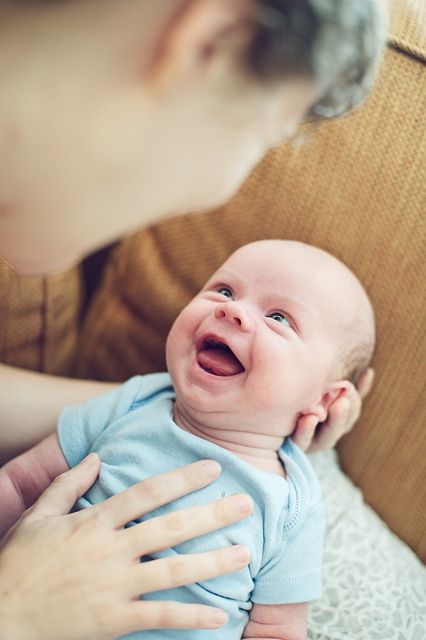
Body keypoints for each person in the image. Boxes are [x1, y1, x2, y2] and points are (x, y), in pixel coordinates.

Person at [0, 0, 383, 637]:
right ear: (210, 43)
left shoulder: (285, 494)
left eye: (281, 319)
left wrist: (241, 417)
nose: (234, 310)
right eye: (267, 140)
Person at [0, 240, 376, 639]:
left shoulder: (294, 504)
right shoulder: (133, 403)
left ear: (326, 398)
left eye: (279, 318)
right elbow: (19, 485)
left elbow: (277, 629)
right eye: (224, 290)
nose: (232, 310)